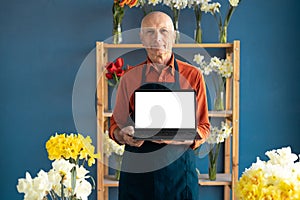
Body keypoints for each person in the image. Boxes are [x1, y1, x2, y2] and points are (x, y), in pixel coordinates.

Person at [109, 11, 210, 200]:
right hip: (138, 176)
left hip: (179, 175)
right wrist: (122, 135)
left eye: (164, 31)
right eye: (149, 32)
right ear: (141, 38)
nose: (157, 38)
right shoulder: (129, 78)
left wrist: (186, 137)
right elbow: (115, 125)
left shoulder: (193, 75)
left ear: (174, 36)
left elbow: (204, 127)